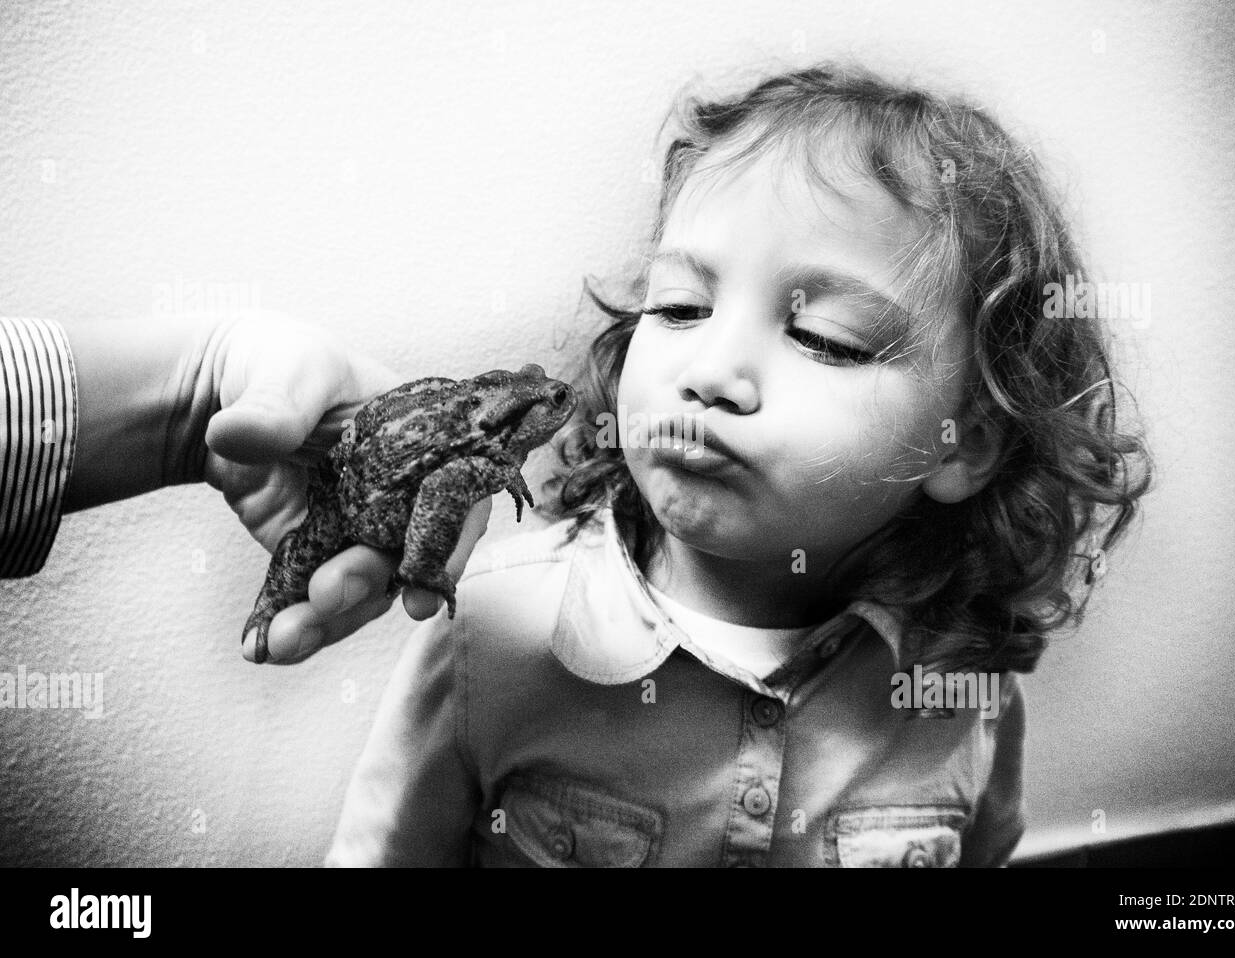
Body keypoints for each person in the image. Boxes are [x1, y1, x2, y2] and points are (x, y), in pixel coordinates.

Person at [325, 60, 1153, 867]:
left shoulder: (962, 679)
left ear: (966, 443)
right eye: (680, 307)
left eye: (825, 338)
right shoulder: (491, 626)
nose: (712, 372)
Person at [0, 311, 491, 664]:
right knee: (337, 568)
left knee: (336, 575)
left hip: (349, 492)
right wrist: (205, 375)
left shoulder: (481, 441)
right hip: (351, 492)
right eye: (550, 401)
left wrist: (207, 376)